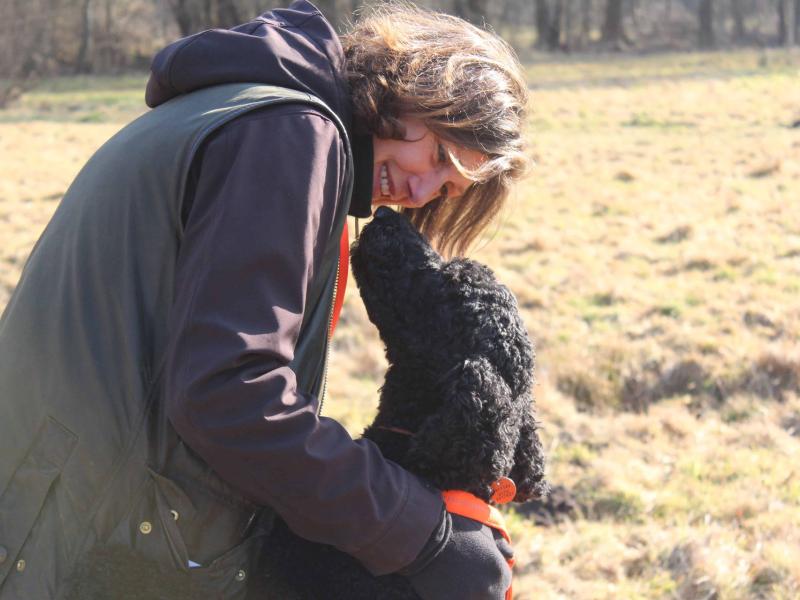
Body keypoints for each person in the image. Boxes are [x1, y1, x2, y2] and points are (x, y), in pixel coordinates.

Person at [0, 1, 529, 598]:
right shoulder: (293, 135)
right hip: (64, 537)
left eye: (449, 185)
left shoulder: (257, 109)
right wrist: (422, 534)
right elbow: (230, 393)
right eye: (435, 154)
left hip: (56, 502)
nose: (420, 189)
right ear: (412, 87)